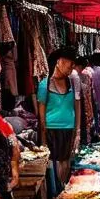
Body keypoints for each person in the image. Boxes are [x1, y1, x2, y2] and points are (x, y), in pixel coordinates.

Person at [37, 47, 81, 190]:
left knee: (65, 161)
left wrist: (77, 132)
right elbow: (41, 114)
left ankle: (63, 191)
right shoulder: (45, 84)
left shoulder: (73, 82)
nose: (71, 66)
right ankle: (57, 193)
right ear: (59, 61)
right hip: (51, 129)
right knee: (53, 163)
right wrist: (43, 140)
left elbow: (77, 107)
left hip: (68, 128)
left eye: (73, 63)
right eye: (70, 62)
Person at [74, 56, 95, 146]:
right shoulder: (83, 76)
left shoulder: (84, 76)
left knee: (83, 126)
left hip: (83, 104)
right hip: (82, 104)